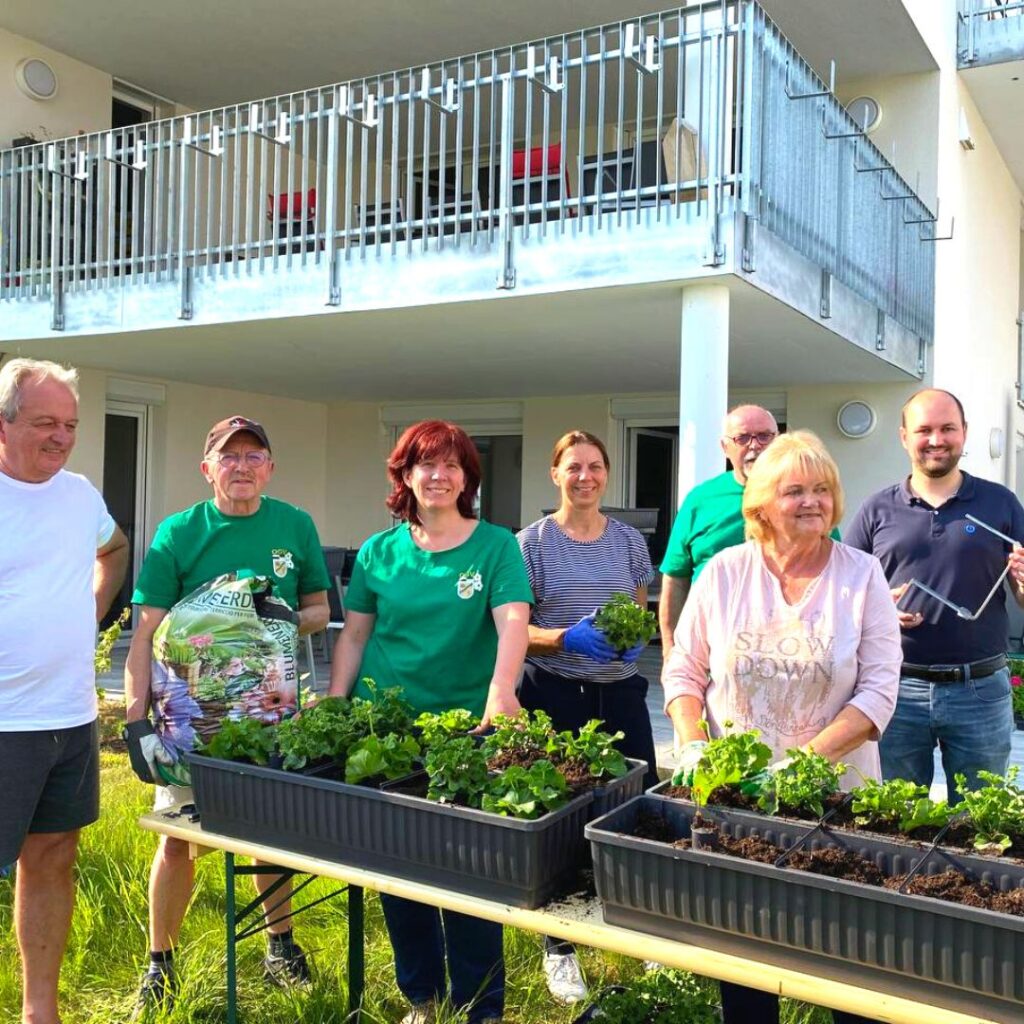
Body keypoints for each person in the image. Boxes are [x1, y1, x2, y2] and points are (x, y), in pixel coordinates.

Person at [663, 430, 900, 1024]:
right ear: (762, 502)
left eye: (823, 490)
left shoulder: (862, 575)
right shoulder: (723, 573)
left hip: (837, 802)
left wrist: (806, 762)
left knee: (849, 954)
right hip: (738, 801)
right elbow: (684, 671)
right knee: (747, 947)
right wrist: (693, 745)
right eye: (795, 490)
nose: (812, 502)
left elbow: (878, 693)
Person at [328, 419, 531, 1024]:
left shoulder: (495, 545)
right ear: (406, 475)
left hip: (466, 733)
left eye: (452, 465)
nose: (439, 476)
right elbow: (355, 633)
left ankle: (480, 1005)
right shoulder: (378, 551)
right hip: (385, 735)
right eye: (426, 464)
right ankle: (422, 997)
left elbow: (513, 620)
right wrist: (337, 699)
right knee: (399, 869)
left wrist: (501, 691)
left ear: (468, 477)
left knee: (469, 870)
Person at [123, 415, 330, 1009]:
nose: (242, 467)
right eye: (229, 457)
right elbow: (144, 633)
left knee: (270, 828)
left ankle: (280, 945)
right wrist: (137, 723)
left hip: (272, 707)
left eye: (253, 456)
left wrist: (286, 617)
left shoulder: (294, 524)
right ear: (207, 467)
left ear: (269, 466)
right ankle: (159, 963)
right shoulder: (179, 531)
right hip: (190, 713)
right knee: (179, 837)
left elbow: (319, 610)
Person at [0, 358, 128, 1024]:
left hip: (69, 717)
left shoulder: (79, 494)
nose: (61, 436)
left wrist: (89, 611)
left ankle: (38, 1011)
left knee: (52, 858)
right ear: (4, 422)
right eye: (46, 422)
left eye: (71, 424)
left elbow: (114, 549)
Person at [516, 430, 656, 1005]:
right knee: (557, 815)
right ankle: (559, 946)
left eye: (595, 467)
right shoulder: (531, 544)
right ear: (555, 475)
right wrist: (563, 638)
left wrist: (633, 638)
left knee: (638, 807)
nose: (585, 477)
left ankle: (645, 926)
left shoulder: (628, 541)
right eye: (573, 467)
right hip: (554, 693)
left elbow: (639, 607)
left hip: (619, 694)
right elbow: (511, 629)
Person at [845, 388, 1024, 801]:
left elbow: (1021, 595)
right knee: (892, 818)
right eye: (924, 429)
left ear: (965, 434)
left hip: (980, 688)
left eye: (948, 428)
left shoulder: (1000, 503)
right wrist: (875, 607)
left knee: (981, 818)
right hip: (894, 687)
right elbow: (843, 594)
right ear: (904, 437)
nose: (936, 439)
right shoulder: (877, 509)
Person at [657, 404, 778, 658]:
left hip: (783, 654)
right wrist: (671, 653)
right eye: (742, 438)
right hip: (709, 655)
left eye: (764, 436)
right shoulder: (701, 500)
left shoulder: (802, 499)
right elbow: (676, 579)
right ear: (725, 448)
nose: (755, 445)